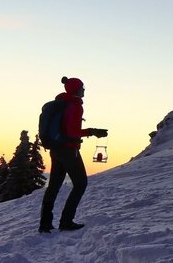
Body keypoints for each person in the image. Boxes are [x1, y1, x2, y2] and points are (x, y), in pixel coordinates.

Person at [38, 76, 108, 233]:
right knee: (80, 184)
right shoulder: (75, 106)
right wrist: (92, 131)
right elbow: (72, 131)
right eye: (82, 87)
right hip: (69, 150)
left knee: (53, 186)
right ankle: (66, 221)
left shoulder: (62, 103)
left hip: (56, 149)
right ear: (76, 90)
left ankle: (45, 223)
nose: (84, 90)